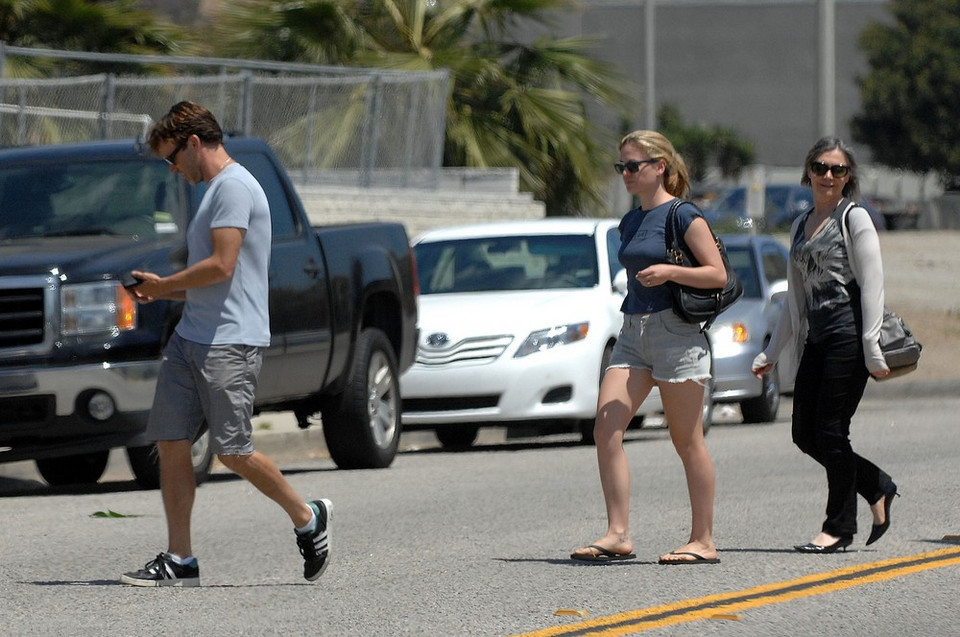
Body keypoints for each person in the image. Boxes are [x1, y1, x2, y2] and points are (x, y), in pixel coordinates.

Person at [120, 101, 332, 587]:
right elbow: (210, 273)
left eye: (172, 158)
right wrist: (159, 286)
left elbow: (222, 266)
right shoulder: (213, 192)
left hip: (229, 343)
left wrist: (164, 284)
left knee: (233, 451)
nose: (172, 170)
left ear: (194, 142)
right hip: (191, 336)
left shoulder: (234, 187)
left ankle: (308, 516)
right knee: (171, 441)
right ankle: (181, 560)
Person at [570, 130, 725, 565]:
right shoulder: (630, 221)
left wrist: (670, 272)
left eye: (633, 166)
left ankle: (703, 540)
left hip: (676, 335)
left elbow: (717, 275)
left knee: (687, 441)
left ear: (660, 166)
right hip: (633, 334)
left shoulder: (684, 215)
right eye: (621, 166)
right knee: (606, 428)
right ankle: (618, 533)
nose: (625, 174)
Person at [752, 136, 898, 554]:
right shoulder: (800, 225)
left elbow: (873, 286)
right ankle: (876, 485)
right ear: (808, 172)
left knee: (832, 431)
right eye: (821, 167)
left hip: (849, 338)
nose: (828, 176)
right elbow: (794, 301)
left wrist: (871, 347)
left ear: (848, 177)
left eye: (838, 169)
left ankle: (838, 528)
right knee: (804, 433)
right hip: (816, 339)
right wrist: (771, 353)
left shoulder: (855, 219)